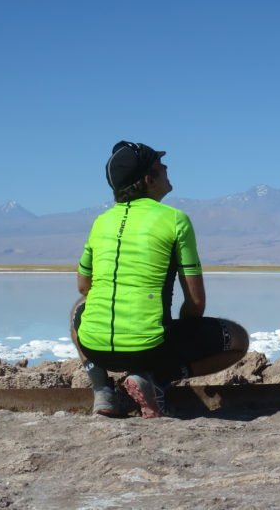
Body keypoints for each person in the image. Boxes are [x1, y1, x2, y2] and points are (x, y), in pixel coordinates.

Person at [71, 141, 249, 418]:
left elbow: (84, 287)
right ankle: (157, 379)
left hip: (95, 348)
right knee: (238, 339)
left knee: (78, 309)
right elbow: (196, 302)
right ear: (148, 179)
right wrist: (181, 338)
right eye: (160, 165)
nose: (166, 168)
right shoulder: (175, 220)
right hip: (150, 349)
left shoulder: (101, 221)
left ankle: (103, 391)